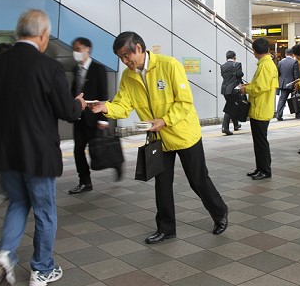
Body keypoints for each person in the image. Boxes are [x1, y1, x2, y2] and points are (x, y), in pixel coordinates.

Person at [0, 9, 86, 286]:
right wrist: (79, 104)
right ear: (43, 36)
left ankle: (5, 254)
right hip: (38, 154)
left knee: (17, 203)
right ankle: (42, 269)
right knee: (45, 211)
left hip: (5, 152)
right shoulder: (48, 67)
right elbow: (67, 111)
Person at [91, 31, 228, 244]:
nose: (125, 62)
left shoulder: (169, 65)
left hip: (184, 135)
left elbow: (184, 103)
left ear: (139, 48)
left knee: (198, 180)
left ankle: (220, 212)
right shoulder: (128, 75)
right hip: (158, 138)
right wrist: (105, 107)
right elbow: (123, 105)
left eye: (127, 56)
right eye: (121, 58)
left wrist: (164, 120)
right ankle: (166, 228)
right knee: (162, 184)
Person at [68, 37, 117, 195]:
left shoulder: (98, 68)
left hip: (94, 118)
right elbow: (73, 92)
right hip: (79, 118)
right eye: (74, 49)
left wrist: (103, 119)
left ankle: (116, 163)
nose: (75, 52)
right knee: (78, 151)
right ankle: (84, 182)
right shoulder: (76, 69)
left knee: (101, 149)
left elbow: (104, 93)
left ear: (87, 49)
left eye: (78, 48)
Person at [239, 37, 279, 180]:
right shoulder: (269, 64)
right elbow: (261, 83)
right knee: (260, 141)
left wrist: (245, 89)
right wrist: (249, 85)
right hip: (263, 107)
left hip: (260, 108)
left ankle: (265, 170)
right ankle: (261, 167)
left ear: (254, 51)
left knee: (260, 142)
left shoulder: (264, 66)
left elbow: (259, 87)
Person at [220, 50, 244, 135]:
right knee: (230, 107)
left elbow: (224, 76)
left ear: (226, 57)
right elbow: (240, 74)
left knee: (232, 105)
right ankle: (225, 127)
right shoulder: (237, 64)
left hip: (224, 89)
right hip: (234, 89)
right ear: (234, 57)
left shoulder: (222, 66)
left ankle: (236, 125)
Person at [275, 48, 300, 121]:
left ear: (285, 54)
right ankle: (297, 113)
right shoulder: (294, 62)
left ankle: (279, 114)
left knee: (282, 100)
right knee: (295, 98)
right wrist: (297, 84)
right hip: (292, 83)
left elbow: (278, 73)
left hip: (283, 84)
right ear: (293, 54)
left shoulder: (280, 62)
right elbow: (296, 74)